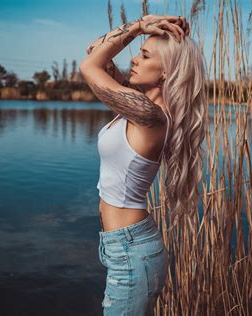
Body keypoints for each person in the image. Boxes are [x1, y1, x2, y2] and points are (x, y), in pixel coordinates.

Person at [80, 14, 206, 315]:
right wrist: (144, 27)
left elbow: (90, 67)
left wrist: (138, 27)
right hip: (121, 246)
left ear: (165, 73)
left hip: (131, 250)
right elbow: (92, 50)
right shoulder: (138, 103)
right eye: (139, 52)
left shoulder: (150, 115)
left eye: (145, 55)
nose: (134, 59)